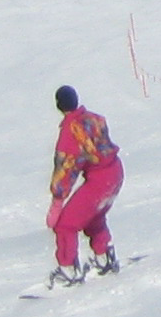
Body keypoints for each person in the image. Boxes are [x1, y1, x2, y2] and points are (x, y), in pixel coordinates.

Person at [44, 86, 122, 285]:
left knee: (65, 225)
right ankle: (104, 256)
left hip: (99, 180)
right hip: (114, 172)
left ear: (59, 105)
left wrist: (57, 201)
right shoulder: (94, 119)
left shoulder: (70, 131)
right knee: (93, 215)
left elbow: (66, 167)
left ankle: (68, 270)